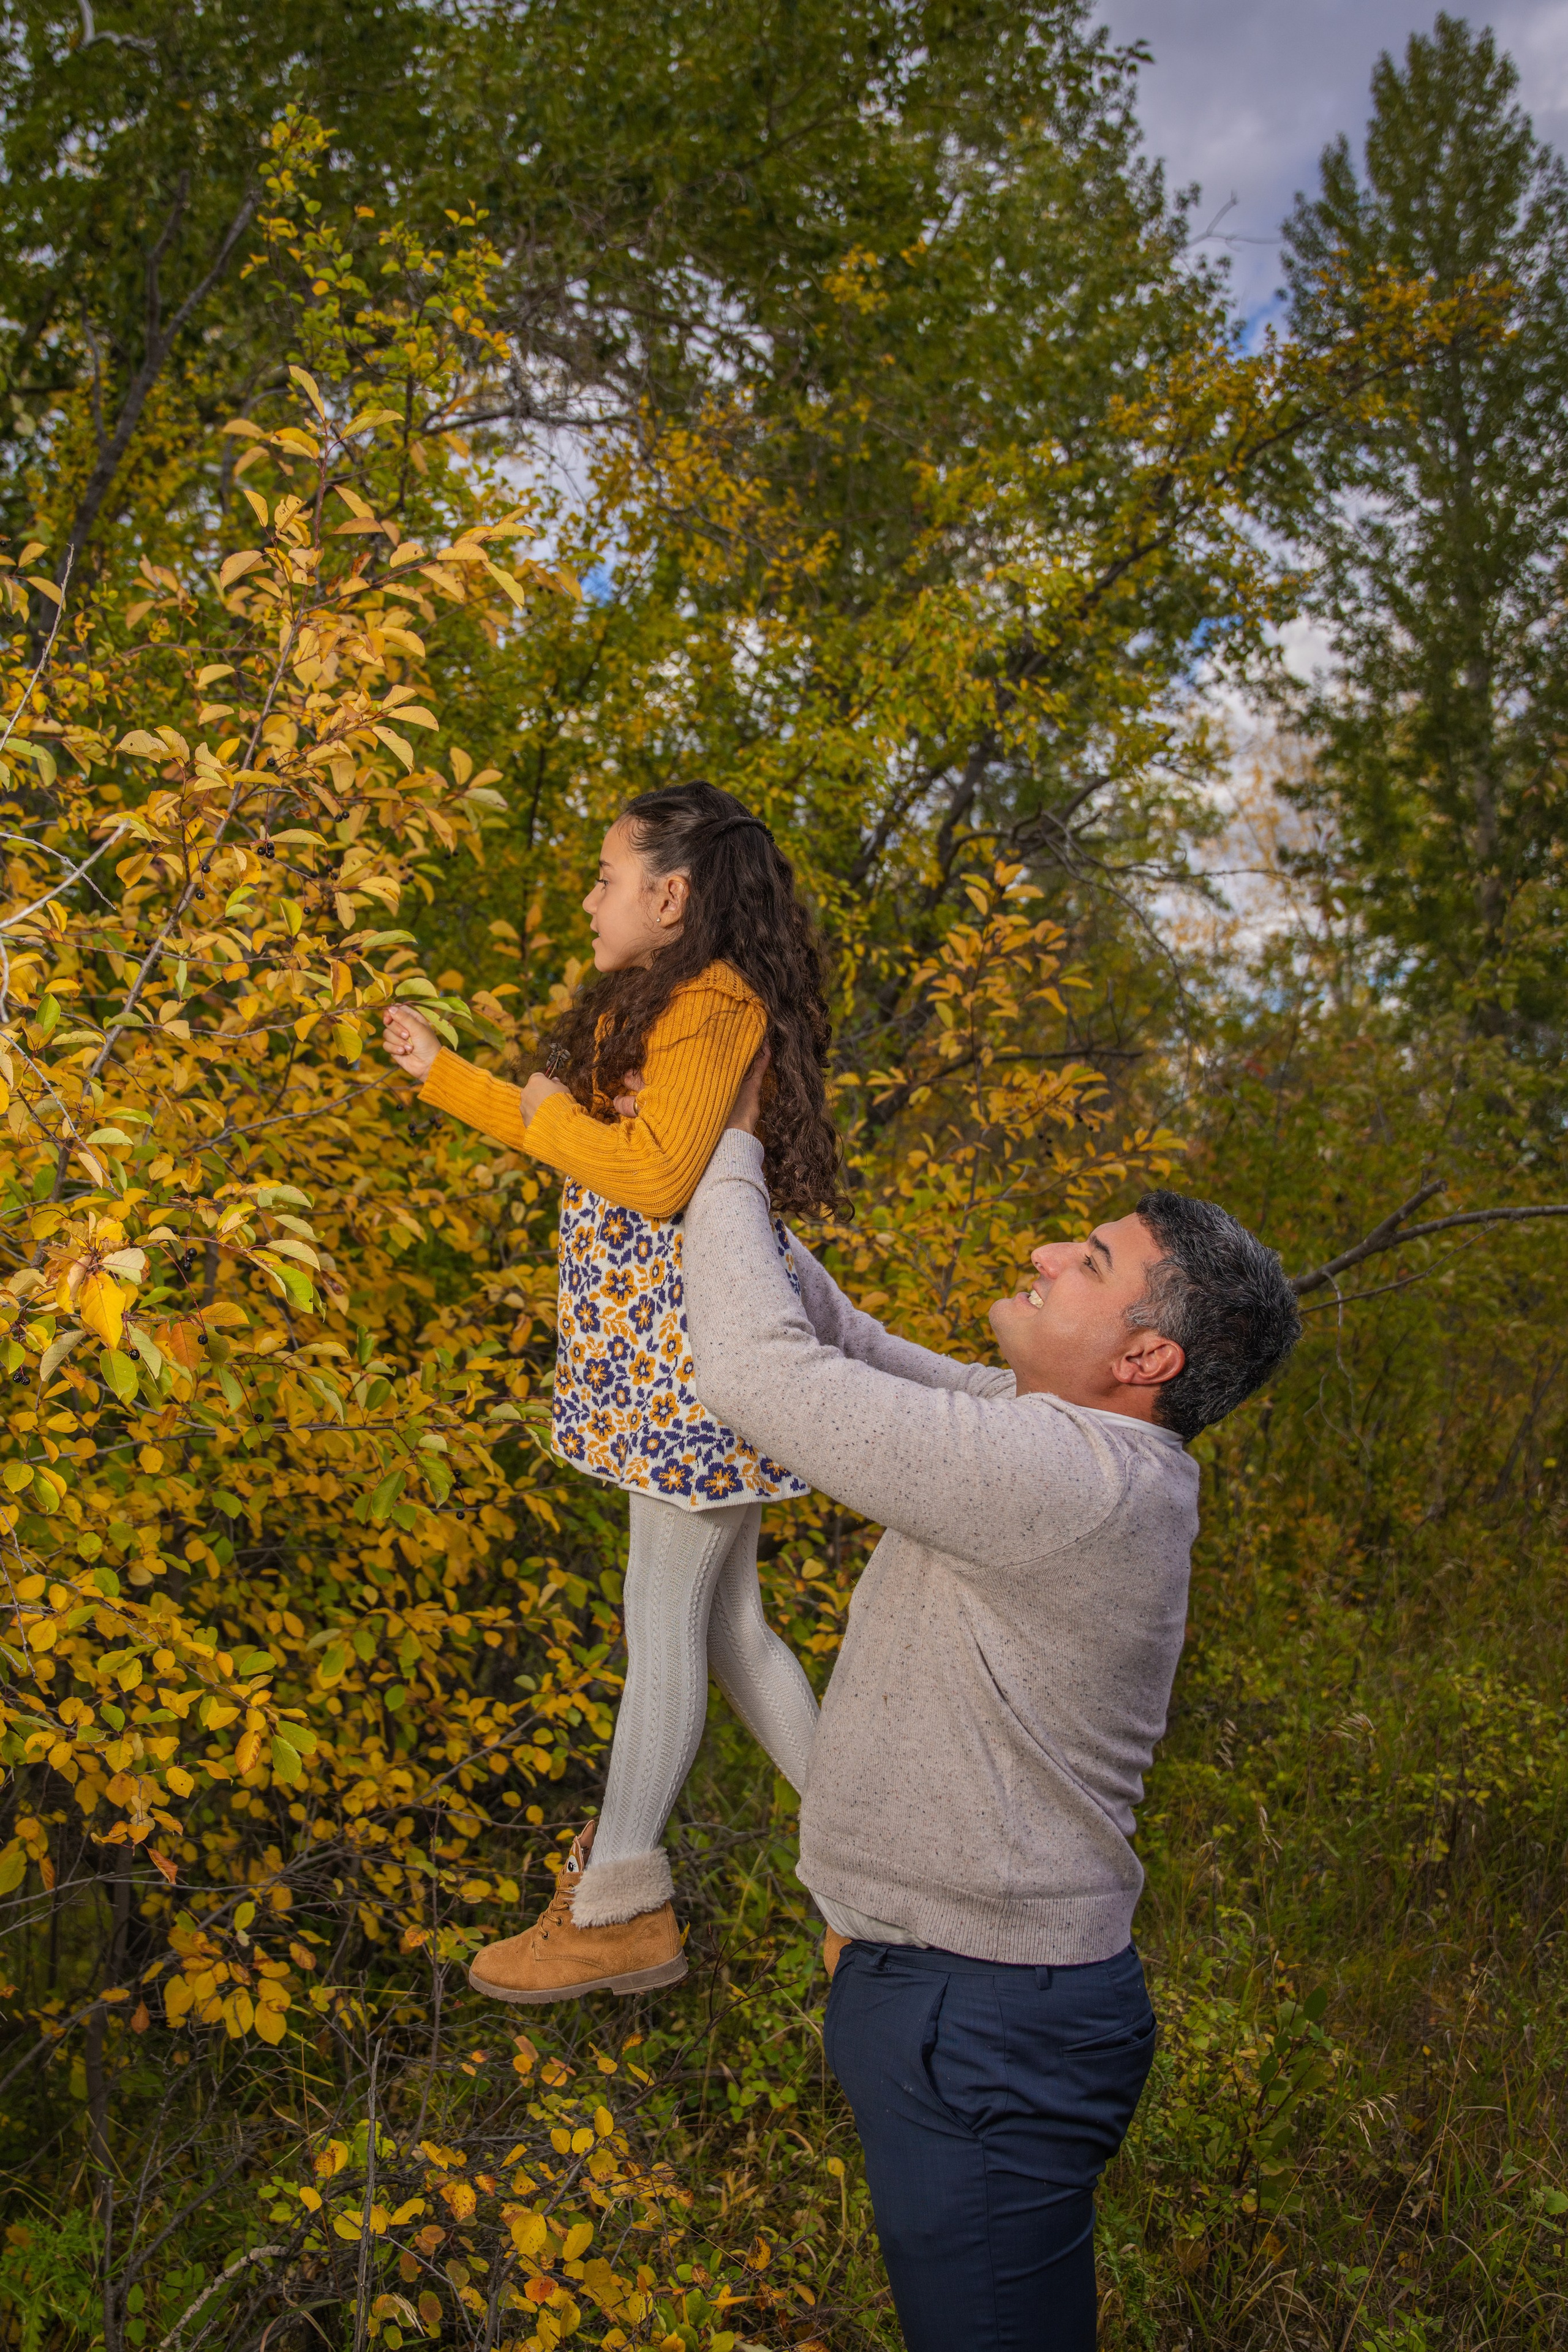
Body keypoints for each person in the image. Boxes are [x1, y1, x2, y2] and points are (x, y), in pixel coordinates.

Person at [678, 1061, 1302, 2352]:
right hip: (955, 1995)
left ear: (1144, 1355)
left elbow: (758, 1373)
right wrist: (707, 1163)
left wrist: (726, 1147)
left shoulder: (1063, 1478)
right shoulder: (1049, 1435)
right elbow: (839, 1341)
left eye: (1084, 1260)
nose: (1038, 1253)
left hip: (983, 2021)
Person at [381, 782, 846, 2001]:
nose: (588, 898)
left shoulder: (712, 1007)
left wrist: (532, 1114)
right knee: (732, 1635)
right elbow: (586, 1141)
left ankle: (621, 1897)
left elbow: (645, 1179)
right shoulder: (671, 1002)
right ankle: (875, 1881)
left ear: (670, 895)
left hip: (696, 1366)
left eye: (604, 877)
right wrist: (456, 1079)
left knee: (666, 1629)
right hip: (665, 1365)